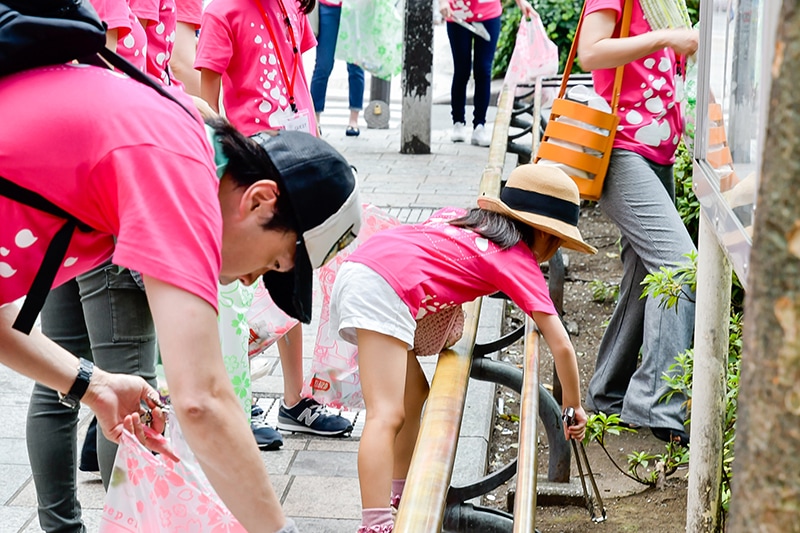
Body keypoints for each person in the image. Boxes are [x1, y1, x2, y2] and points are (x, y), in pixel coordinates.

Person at [0, 61, 361, 532]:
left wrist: (97, 386)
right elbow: (202, 400)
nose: (251, 282)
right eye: (272, 263)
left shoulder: (179, 137)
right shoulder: (182, 170)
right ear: (259, 200)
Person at [329, 164, 593, 532]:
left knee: (415, 395)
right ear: (546, 235)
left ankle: (401, 494)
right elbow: (561, 345)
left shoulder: (464, 219)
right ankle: (375, 523)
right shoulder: (517, 258)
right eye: (559, 241)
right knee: (386, 414)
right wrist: (573, 406)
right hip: (385, 291)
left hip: (368, 270)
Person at [196, 0, 353, 446]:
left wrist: (314, 144)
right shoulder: (222, 11)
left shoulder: (290, 8)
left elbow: (297, 81)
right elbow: (207, 107)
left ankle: (294, 398)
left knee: (292, 272)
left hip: (296, 162)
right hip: (250, 175)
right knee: (236, 295)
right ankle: (238, 397)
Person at [576, 0, 699, 445]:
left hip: (653, 152)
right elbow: (591, 52)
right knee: (680, 266)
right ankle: (656, 405)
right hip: (620, 149)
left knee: (645, 274)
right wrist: (668, 38)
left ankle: (609, 390)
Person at [439, 0, 535, 147]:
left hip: (488, 12)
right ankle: (458, 122)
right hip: (458, 12)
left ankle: (479, 126)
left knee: (483, 69)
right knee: (462, 69)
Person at [309, 0, 365, 136]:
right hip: (328, 7)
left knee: (355, 65)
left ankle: (354, 119)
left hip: (354, 9)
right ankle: (315, 119)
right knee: (323, 65)